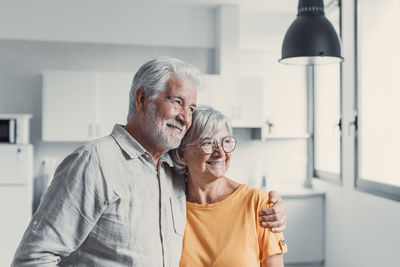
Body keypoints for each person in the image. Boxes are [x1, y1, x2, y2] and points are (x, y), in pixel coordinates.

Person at [12, 57, 286, 267]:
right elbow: (34, 258)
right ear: (142, 99)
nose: (185, 117)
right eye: (177, 102)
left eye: (191, 108)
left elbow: (216, 186)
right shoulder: (95, 162)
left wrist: (271, 208)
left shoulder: (171, 172)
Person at [170, 106, 288, 267]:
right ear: (182, 154)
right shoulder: (170, 207)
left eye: (225, 142)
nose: (220, 152)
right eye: (207, 143)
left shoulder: (259, 203)